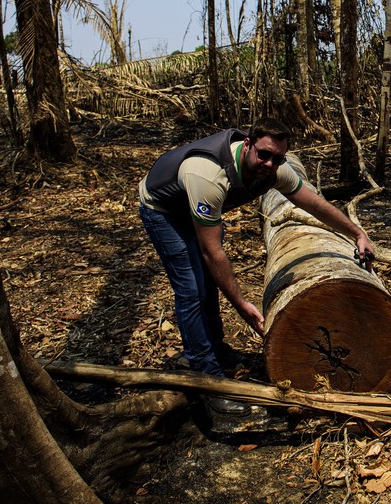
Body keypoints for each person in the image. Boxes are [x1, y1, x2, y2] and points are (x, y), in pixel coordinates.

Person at [139, 117, 375, 413]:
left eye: (277, 158)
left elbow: (313, 204)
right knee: (193, 288)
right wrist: (240, 305)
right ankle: (206, 378)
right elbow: (213, 253)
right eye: (263, 154)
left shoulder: (275, 169)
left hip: (201, 208)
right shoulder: (209, 175)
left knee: (207, 284)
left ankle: (215, 350)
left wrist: (357, 233)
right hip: (164, 209)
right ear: (248, 145)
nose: (268, 163)